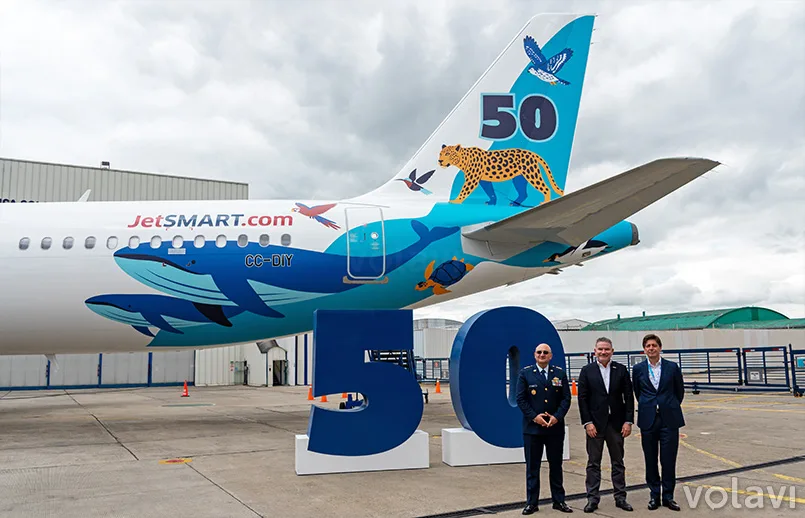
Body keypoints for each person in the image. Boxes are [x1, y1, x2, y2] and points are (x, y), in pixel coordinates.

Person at [577, 337, 635, 513]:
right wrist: (587, 423)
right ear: (595, 351)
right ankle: (592, 499)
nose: (603, 352)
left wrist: (628, 421)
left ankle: (620, 497)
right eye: (600, 349)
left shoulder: (621, 370)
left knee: (618, 462)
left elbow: (629, 397)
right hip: (595, 425)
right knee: (593, 463)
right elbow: (582, 399)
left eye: (607, 349)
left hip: (616, 424)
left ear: (612, 351)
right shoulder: (587, 371)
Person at [515, 343, 573, 514]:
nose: (542, 355)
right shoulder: (525, 374)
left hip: (554, 428)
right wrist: (535, 417)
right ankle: (531, 503)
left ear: (550, 355)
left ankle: (559, 501)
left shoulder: (559, 373)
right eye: (539, 352)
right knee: (533, 468)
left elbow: (566, 399)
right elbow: (521, 399)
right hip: (533, 429)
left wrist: (556, 417)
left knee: (556, 466)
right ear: (534, 355)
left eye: (545, 352)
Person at [632, 333, 685, 511]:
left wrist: (667, 405)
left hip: (669, 419)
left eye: (654, 345)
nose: (651, 348)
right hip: (648, 420)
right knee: (650, 459)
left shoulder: (672, 367)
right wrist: (650, 405)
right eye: (648, 346)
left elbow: (680, 392)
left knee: (668, 460)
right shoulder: (638, 369)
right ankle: (654, 495)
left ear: (660, 348)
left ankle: (668, 496)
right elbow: (638, 393)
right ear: (644, 349)